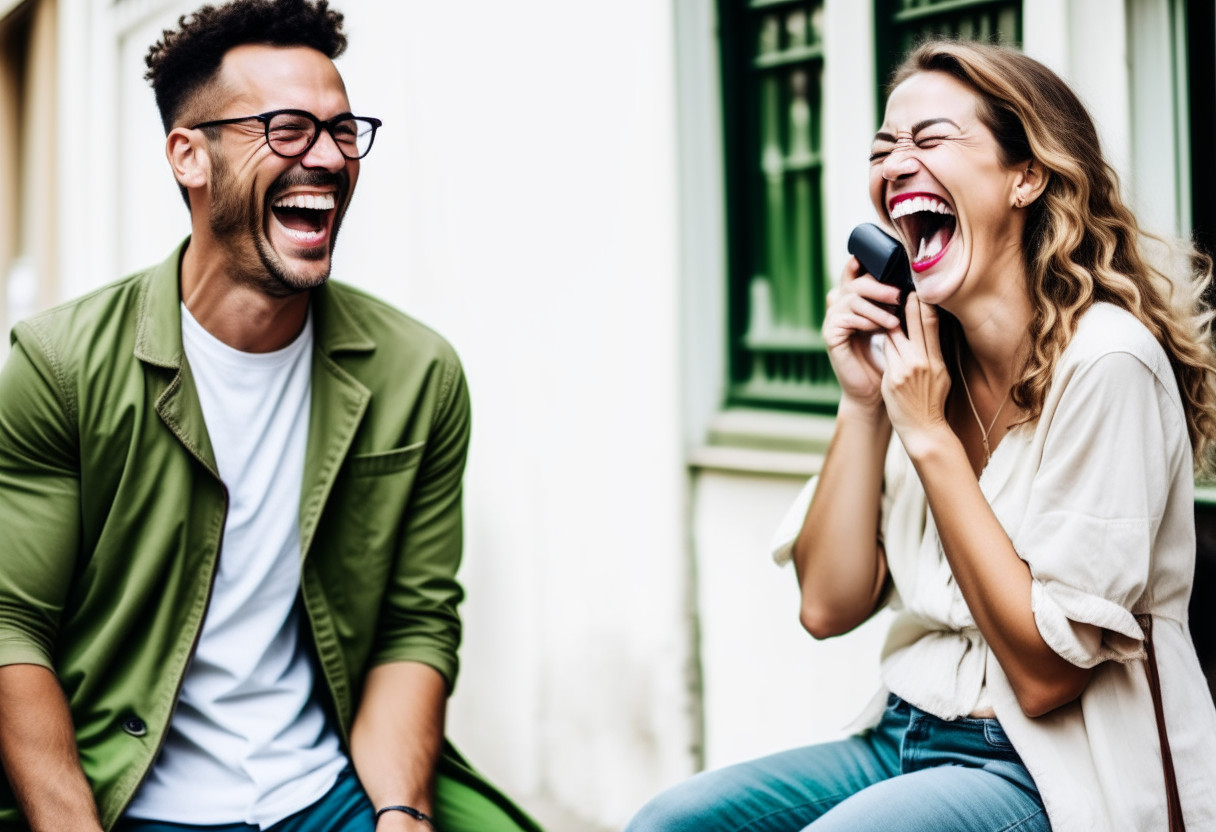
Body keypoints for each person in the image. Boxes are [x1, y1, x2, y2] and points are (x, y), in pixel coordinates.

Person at [626, 39, 1216, 832]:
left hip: (1052, 765)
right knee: (672, 823)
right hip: (904, 730)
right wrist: (865, 403)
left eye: (931, 139)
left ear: (1027, 175)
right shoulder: (920, 359)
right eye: (884, 147)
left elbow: (1045, 679)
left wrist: (929, 435)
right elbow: (828, 605)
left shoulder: (1108, 363)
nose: (897, 162)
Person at [0, 2, 543, 831]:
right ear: (190, 156)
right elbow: (13, 624)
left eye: (343, 131)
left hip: (330, 794)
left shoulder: (417, 375)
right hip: (122, 797)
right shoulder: (59, 367)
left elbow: (415, 622)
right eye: (287, 130)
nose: (327, 158)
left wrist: (400, 813)